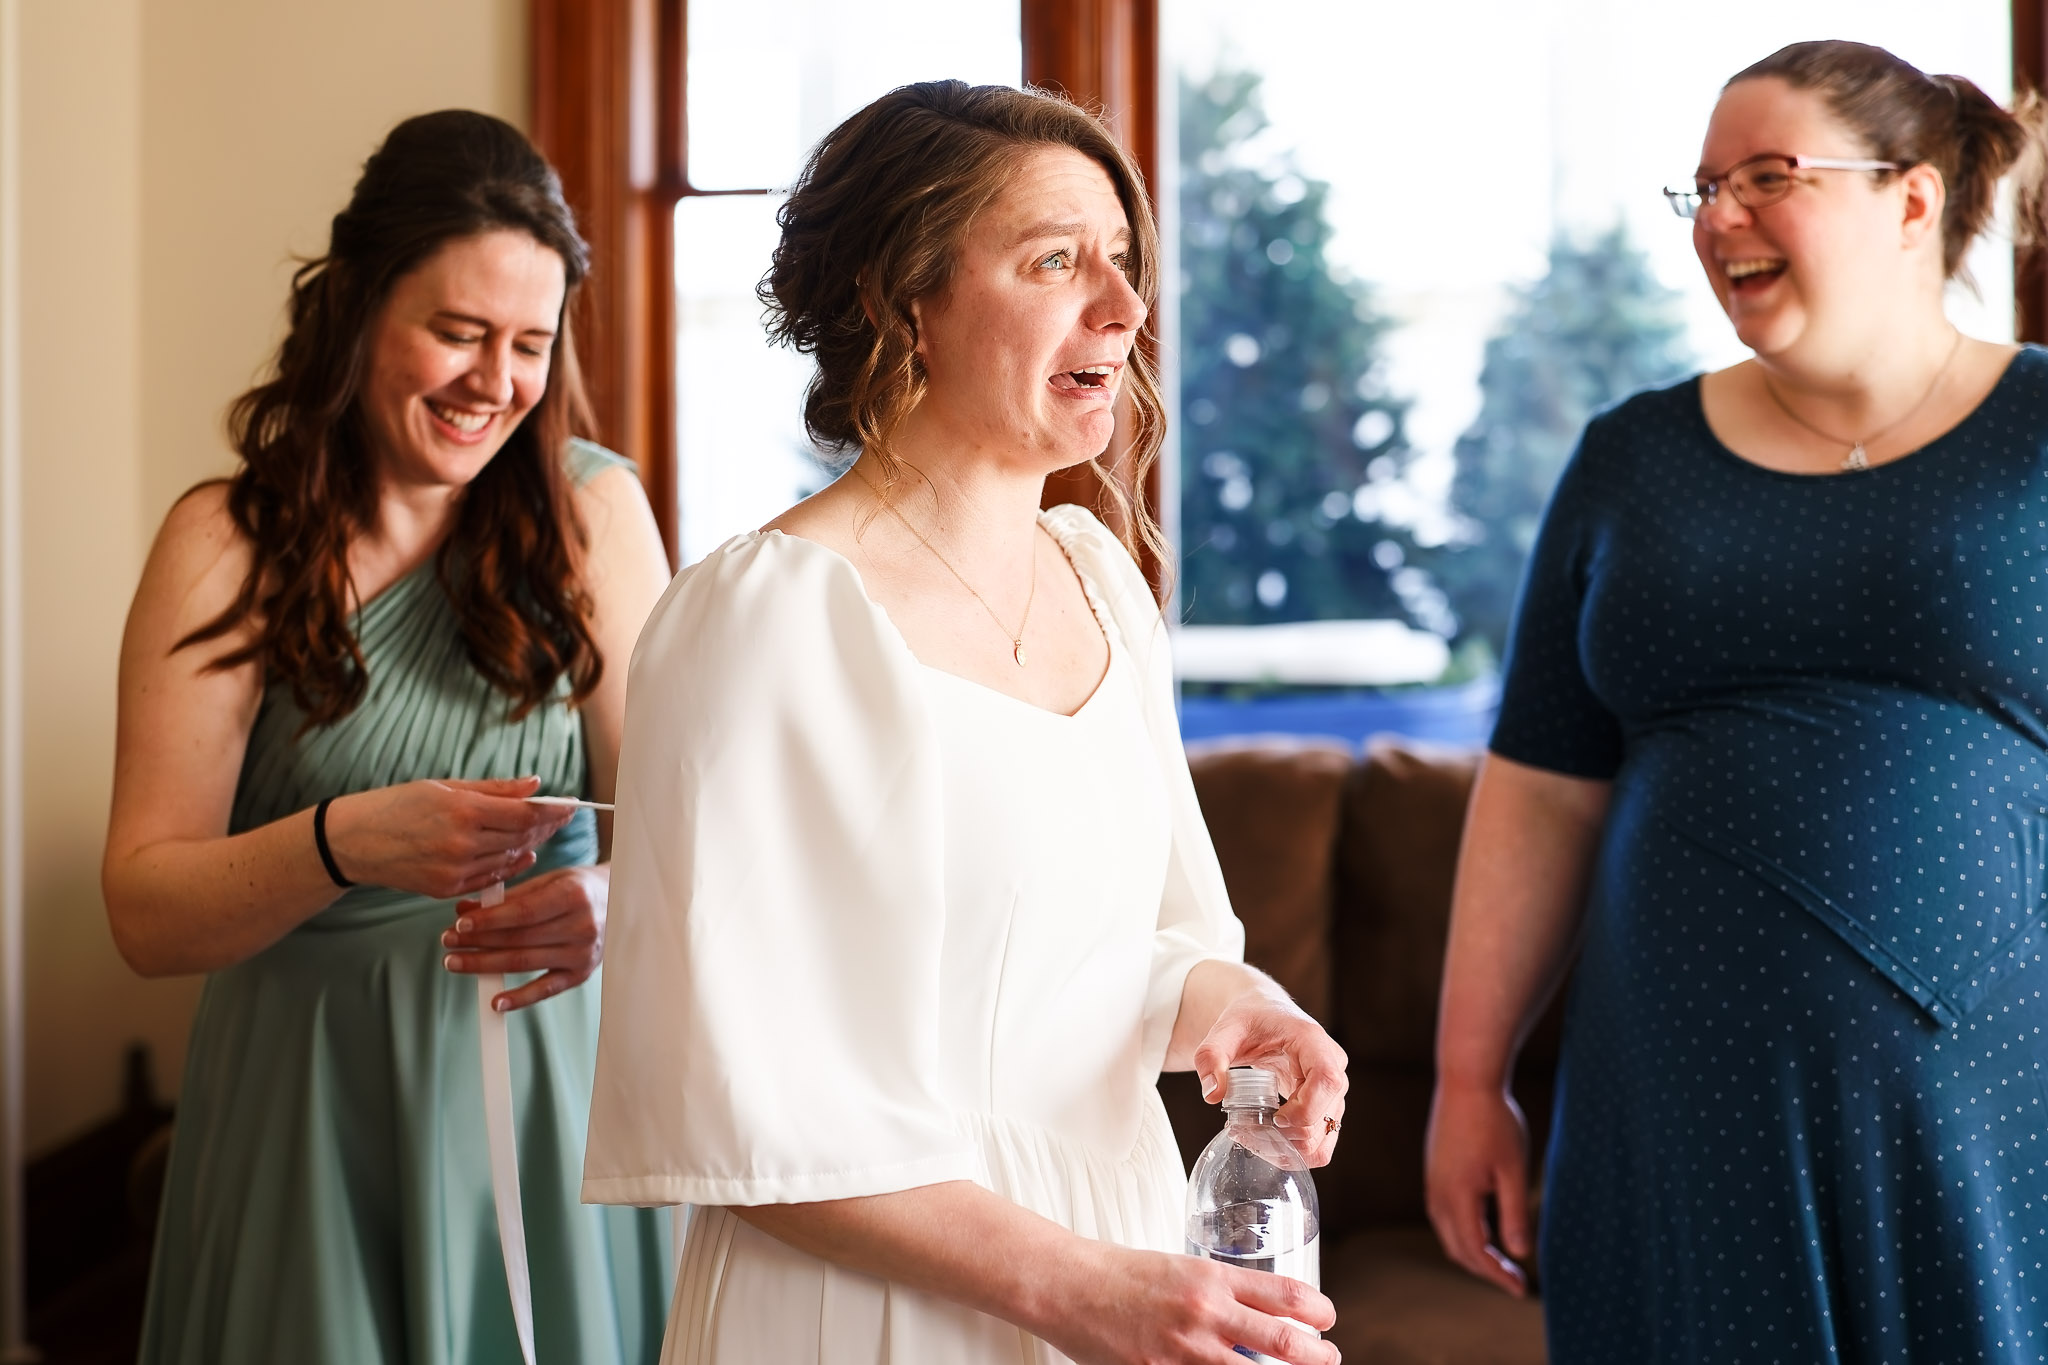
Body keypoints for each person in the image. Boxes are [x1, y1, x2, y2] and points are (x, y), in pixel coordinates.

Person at [581, 81, 1349, 1365]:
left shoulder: (1100, 582)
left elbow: (1144, 946)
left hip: (1126, 1263)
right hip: (872, 1311)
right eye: (1055, 260)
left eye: (1123, 261)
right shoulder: (765, 619)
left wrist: (1234, 1000)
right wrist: (1073, 1292)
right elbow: (747, 1109)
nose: (1121, 305)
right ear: (902, 304)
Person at [1425, 38, 2048, 1362]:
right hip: (1668, 1095)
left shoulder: (2042, 433)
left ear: (1912, 197)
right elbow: (1540, 780)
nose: (1719, 219)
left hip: (1998, 1100)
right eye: (1702, 189)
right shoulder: (1632, 459)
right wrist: (1470, 1080)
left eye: (1770, 177)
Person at [104, 110, 674, 1364]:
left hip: (545, 1101)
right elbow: (145, 914)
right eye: (457, 333)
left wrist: (608, 893)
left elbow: (681, 838)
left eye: (527, 344)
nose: (494, 382)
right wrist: (341, 843)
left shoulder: (596, 514)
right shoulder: (224, 541)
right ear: (356, 307)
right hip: (309, 1107)